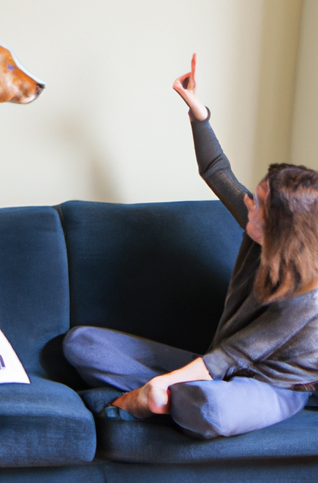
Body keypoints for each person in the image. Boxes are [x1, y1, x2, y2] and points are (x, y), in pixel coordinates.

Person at [63, 54, 318, 437]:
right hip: (215, 366)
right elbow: (217, 171)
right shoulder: (257, 230)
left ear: (283, 227)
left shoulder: (308, 292)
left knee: (210, 408)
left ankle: (155, 397)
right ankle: (169, 396)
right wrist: (199, 113)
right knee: (81, 343)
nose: (249, 201)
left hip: (270, 386)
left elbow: (235, 356)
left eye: (260, 203)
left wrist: (155, 389)